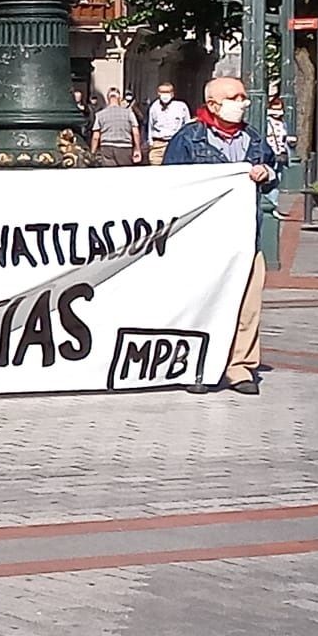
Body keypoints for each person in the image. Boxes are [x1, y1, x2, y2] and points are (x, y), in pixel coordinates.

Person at [160, 76, 276, 396]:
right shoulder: (188, 139)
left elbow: (271, 166)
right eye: (235, 97)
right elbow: (172, 185)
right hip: (202, 243)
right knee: (200, 303)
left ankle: (240, 367)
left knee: (247, 306)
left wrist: (266, 173)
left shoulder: (252, 138)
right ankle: (197, 365)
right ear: (213, 104)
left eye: (243, 97)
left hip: (246, 239)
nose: (243, 103)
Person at [90, 88, 143, 168]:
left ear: (108, 99)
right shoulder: (129, 113)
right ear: (120, 98)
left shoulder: (100, 114)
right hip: (124, 147)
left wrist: (92, 153)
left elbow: (95, 137)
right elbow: (135, 132)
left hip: (106, 147)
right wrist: (137, 149)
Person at [145, 83, 190, 165]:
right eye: (162, 92)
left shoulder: (181, 106)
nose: (165, 94)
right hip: (158, 144)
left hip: (175, 144)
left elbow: (187, 126)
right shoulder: (154, 107)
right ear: (158, 93)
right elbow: (149, 126)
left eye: (168, 92)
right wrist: (151, 144)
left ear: (172, 94)